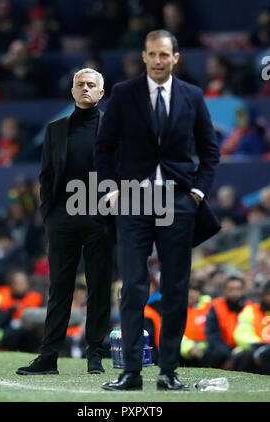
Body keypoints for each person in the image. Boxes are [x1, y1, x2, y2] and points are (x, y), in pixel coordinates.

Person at [95, 29, 220, 391]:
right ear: (145, 56)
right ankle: (131, 371)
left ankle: (168, 372)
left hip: (180, 202)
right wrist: (112, 190)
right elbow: (104, 148)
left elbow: (210, 151)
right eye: (152, 54)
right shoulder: (123, 93)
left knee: (176, 288)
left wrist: (197, 193)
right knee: (133, 287)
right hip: (132, 200)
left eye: (165, 54)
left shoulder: (193, 96)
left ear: (175, 57)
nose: (158, 60)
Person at [16, 68, 113, 376]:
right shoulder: (55, 130)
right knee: (59, 288)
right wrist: (49, 214)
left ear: (100, 92)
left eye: (91, 85)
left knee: (99, 286)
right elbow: (46, 176)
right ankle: (49, 357)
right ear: (72, 92)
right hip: (63, 217)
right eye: (80, 84)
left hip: (100, 216)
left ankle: (95, 355)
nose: (85, 88)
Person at [0, 270, 43, 352]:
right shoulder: (2, 298)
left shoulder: (35, 298)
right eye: (19, 283)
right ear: (12, 285)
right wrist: (11, 310)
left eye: (24, 282)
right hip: (4, 334)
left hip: (27, 334)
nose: (22, 285)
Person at [204, 276, 251, 370]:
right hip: (222, 349)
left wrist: (237, 353)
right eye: (231, 289)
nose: (235, 293)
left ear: (243, 290)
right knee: (212, 354)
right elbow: (212, 334)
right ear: (224, 290)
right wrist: (230, 355)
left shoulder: (251, 307)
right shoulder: (216, 306)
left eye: (238, 289)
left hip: (242, 348)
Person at [234, 280, 270, 375]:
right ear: (263, 294)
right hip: (255, 348)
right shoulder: (251, 310)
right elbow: (242, 333)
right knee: (245, 355)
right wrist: (260, 347)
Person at [180, 280, 211, 367]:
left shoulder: (210, 307)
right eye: (188, 289)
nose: (191, 293)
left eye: (195, 289)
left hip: (207, 349)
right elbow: (173, 333)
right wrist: (189, 348)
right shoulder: (175, 310)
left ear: (200, 292)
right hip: (183, 351)